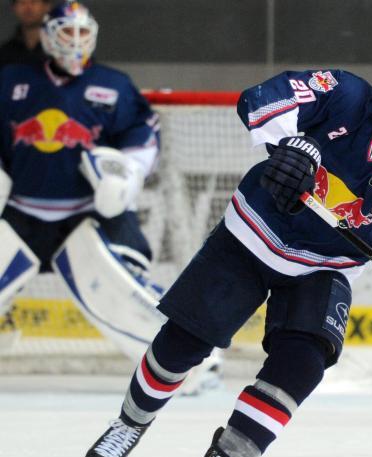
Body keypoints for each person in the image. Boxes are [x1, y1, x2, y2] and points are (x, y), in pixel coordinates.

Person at [83, 51, 372, 457]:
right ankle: (129, 425)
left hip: (324, 266)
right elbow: (264, 96)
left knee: (304, 362)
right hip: (254, 233)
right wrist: (288, 146)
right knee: (184, 341)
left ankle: (234, 450)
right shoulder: (345, 92)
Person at [0, 1, 221, 387]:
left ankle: (192, 363)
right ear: (48, 36)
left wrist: (128, 174)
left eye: (82, 33)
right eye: (66, 32)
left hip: (88, 216)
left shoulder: (113, 84)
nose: (74, 41)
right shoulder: (12, 80)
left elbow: (142, 135)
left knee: (126, 295)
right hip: (22, 213)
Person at [0, 0, 51, 69]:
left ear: (47, 6)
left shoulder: (59, 49)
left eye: (34, 2)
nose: (28, 8)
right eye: (22, 3)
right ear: (14, 8)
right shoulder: (5, 52)